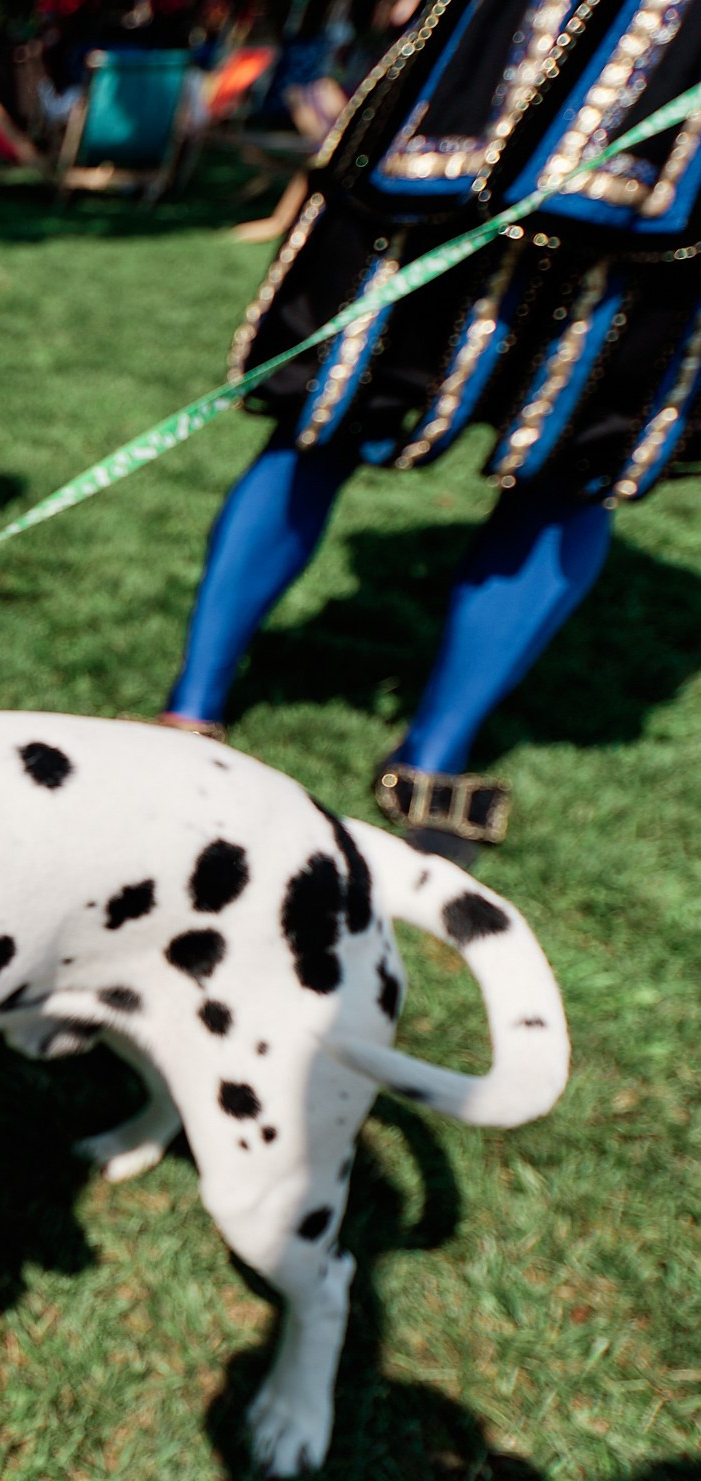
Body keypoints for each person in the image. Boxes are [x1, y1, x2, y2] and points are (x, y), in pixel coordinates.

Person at [163, 0, 701, 865]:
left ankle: (433, 756)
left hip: (668, 179)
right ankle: (190, 709)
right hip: (466, 105)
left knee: (577, 462)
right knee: (323, 417)